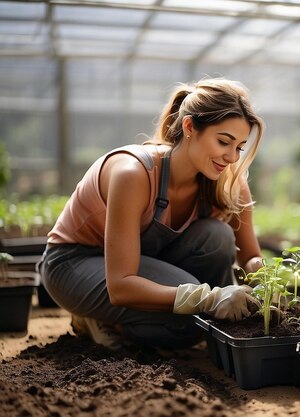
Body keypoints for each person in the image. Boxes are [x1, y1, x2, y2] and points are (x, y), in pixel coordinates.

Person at [39, 78, 265, 350]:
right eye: (223, 142)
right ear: (190, 127)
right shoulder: (134, 174)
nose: (231, 157)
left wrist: (268, 284)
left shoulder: (227, 181)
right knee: (190, 319)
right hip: (75, 263)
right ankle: (101, 320)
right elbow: (121, 284)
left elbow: (250, 256)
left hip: (142, 260)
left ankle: (171, 322)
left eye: (239, 147)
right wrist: (208, 299)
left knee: (217, 236)